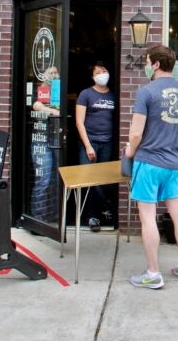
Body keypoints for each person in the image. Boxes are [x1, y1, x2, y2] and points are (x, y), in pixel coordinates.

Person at [124, 45, 178, 289]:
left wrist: (129, 152)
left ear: (155, 64)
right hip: (173, 163)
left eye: (147, 60)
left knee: (148, 218)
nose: (145, 64)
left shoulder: (147, 92)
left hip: (149, 162)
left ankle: (153, 273)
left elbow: (135, 134)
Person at [75, 61, 116, 231]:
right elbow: (79, 121)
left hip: (107, 142)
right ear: (93, 77)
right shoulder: (86, 94)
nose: (102, 74)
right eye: (98, 72)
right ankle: (99, 210)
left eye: (104, 70)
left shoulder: (113, 95)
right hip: (89, 142)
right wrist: (88, 146)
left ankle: (97, 215)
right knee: (89, 178)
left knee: (100, 179)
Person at [30, 65, 60, 222]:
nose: (54, 75)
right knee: (43, 179)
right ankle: (38, 219)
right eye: (51, 73)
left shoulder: (59, 91)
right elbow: (36, 106)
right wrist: (53, 111)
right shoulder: (39, 90)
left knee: (55, 179)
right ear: (43, 75)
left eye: (56, 72)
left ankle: (53, 216)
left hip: (57, 138)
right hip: (41, 138)